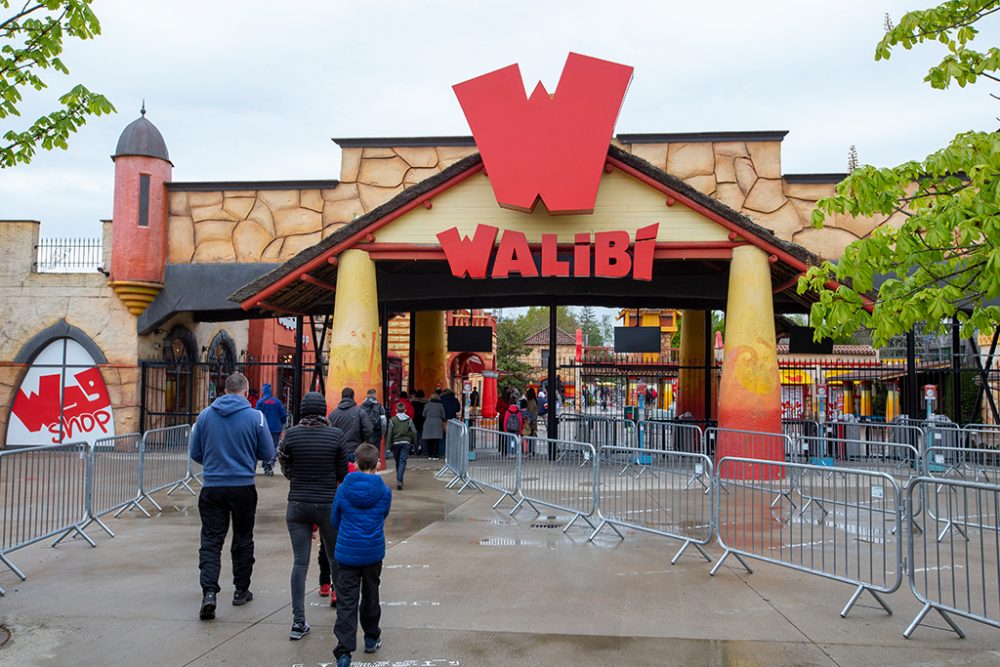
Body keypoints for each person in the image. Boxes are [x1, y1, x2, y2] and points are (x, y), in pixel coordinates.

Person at [189, 372, 274, 621]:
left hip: (213, 485)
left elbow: (196, 452)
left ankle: (209, 593)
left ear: (225, 390)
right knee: (243, 537)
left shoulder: (205, 416)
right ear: (246, 391)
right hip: (243, 485)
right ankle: (241, 589)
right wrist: (246, 458)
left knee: (211, 540)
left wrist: (215, 463)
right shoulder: (255, 417)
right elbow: (268, 451)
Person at [276, 392, 349, 640]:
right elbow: (341, 471)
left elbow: (285, 466)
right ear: (323, 411)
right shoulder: (336, 436)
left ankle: (298, 622)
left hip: (297, 503)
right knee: (334, 556)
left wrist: (299, 478)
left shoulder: (291, 435)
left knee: (300, 562)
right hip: (327, 502)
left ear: (303, 411)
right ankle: (343, 613)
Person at [330, 444, 392, 667]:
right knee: (371, 595)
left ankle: (344, 651)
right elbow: (383, 514)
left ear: (355, 463)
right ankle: (371, 636)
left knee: (347, 601)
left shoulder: (344, 489)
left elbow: (334, 519)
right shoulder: (384, 491)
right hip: (373, 551)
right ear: (377, 464)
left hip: (347, 551)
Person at [328, 387, 373, 462]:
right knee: (355, 473)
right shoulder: (360, 412)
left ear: (341, 397)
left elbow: (329, 433)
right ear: (353, 397)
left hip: (339, 452)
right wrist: (363, 440)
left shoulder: (333, 414)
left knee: (341, 473)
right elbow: (369, 430)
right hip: (356, 450)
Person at [255, 382, 286, 476]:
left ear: (263, 391)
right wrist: (283, 423)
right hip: (275, 428)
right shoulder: (277, 402)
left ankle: (265, 464)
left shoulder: (260, 402)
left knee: (264, 446)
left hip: (263, 427)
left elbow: (256, 414)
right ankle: (270, 462)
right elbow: (283, 415)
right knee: (273, 446)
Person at [387, 401, 416, 490]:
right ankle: (399, 480)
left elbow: (389, 433)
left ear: (396, 410)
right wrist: (413, 442)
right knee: (402, 461)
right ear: (405, 410)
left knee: (397, 461)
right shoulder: (409, 420)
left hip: (395, 443)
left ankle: (399, 479)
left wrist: (388, 447)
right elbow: (414, 432)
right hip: (406, 443)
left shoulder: (392, 420)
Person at [421, 391, 446, 458]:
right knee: (436, 440)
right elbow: (443, 415)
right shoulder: (440, 405)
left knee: (429, 440)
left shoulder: (427, 405)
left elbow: (423, 414)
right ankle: (435, 455)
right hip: (437, 423)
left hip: (428, 422)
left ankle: (430, 454)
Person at [411, 389, 427, 455]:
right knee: (422, 436)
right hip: (423, 421)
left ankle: (415, 450)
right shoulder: (426, 403)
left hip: (415, 421)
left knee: (415, 436)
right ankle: (423, 449)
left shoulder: (413, 403)